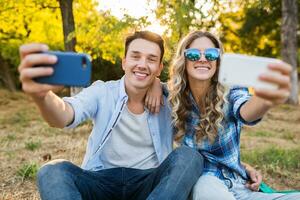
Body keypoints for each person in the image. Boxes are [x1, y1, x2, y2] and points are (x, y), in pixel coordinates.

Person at [18, 31, 204, 200]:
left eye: (151, 59)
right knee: (52, 170)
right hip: (101, 182)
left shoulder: (169, 97)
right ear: (124, 62)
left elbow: (199, 95)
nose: (142, 64)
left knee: (189, 156)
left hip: (149, 184)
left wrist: (156, 84)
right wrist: (43, 97)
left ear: (159, 67)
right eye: (135, 56)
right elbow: (65, 114)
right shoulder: (102, 91)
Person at [147, 30, 300, 200]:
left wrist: (264, 99)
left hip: (239, 184)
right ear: (184, 59)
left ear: (219, 61)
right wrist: (154, 83)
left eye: (211, 54)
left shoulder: (231, 89)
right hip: (205, 183)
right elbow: (147, 78)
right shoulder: (173, 95)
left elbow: (245, 111)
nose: (203, 59)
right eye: (193, 54)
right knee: (206, 191)